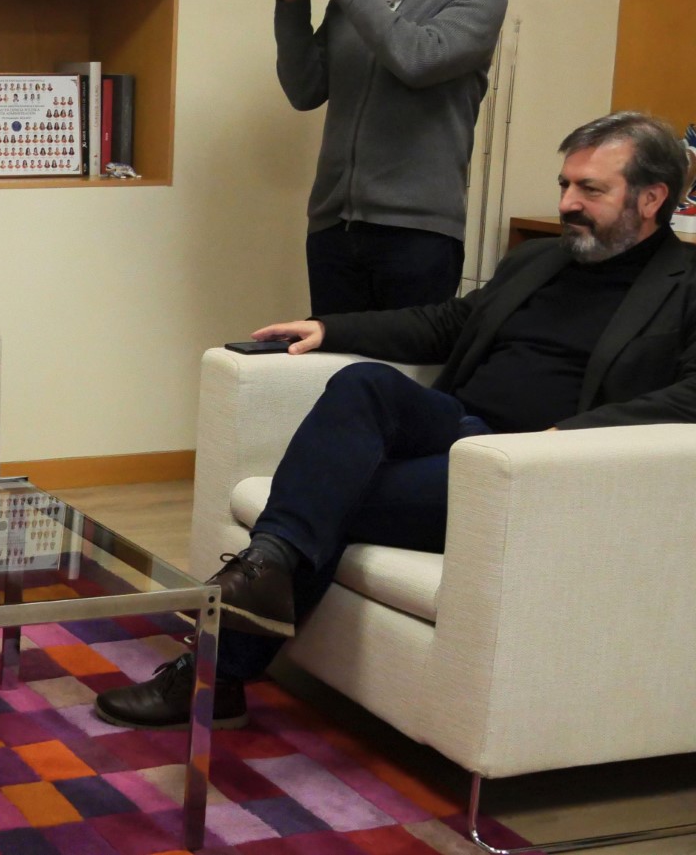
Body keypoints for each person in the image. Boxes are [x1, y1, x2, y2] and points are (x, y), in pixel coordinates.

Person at [95, 112, 696, 730]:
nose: (568, 202)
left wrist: (564, 436)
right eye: (565, 184)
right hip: (461, 427)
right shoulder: (540, 261)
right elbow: (447, 324)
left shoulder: (686, 287)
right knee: (364, 383)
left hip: (527, 472)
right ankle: (265, 569)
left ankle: (216, 672)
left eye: (590, 190)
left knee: (327, 496)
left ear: (651, 198)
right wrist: (331, 328)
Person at [275, 0, 509, 316]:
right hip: (333, 225)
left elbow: (417, 59)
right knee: (330, 369)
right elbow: (305, 90)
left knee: (400, 375)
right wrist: (293, 3)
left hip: (417, 231)